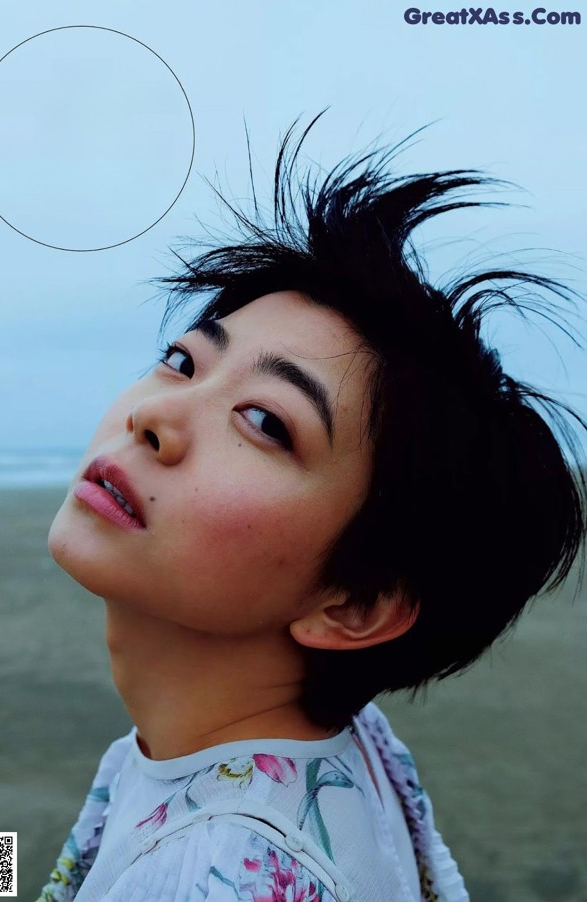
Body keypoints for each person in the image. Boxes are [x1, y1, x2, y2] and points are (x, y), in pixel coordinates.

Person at [36, 115, 587, 902]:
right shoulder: (339, 749)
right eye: (182, 361)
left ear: (355, 605)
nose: (154, 418)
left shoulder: (207, 879)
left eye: (265, 422)